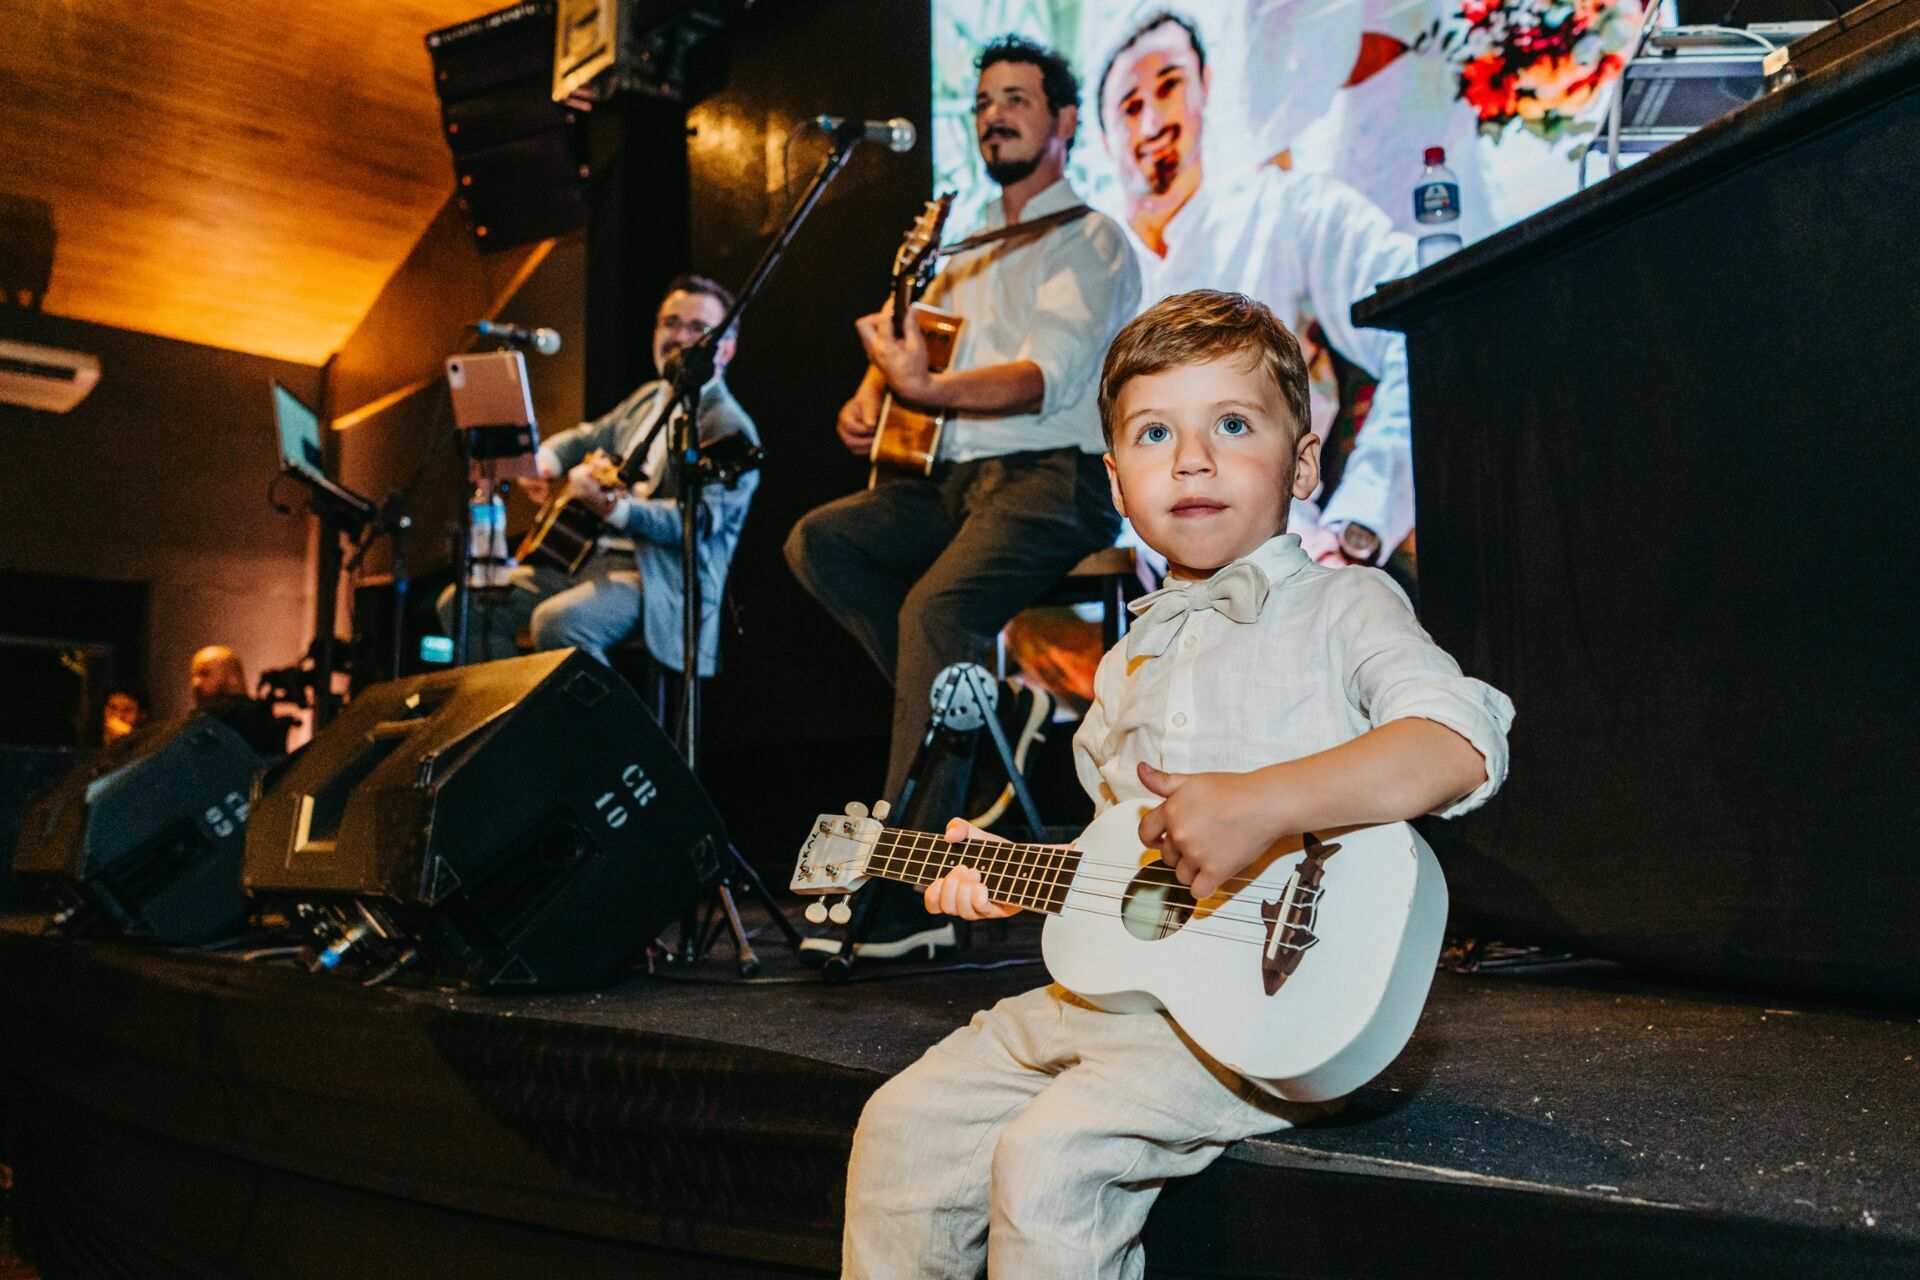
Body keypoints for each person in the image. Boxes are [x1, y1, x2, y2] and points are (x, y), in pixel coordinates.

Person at [839, 290, 1514, 1278]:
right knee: (900, 1122)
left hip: (1260, 1014)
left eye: (1232, 424)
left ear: (1304, 460)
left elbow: (1461, 741)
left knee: (1048, 1158)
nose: (1190, 458)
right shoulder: (1125, 666)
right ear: (1116, 478)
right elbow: (1130, 858)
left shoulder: (1343, 605)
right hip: (1112, 995)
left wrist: (1265, 799)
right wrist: (1012, 868)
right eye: (1156, 432)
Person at [784, 34, 1142, 956]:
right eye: (985, 102)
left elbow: (1044, 377)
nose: (997, 115)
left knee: (936, 611)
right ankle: (981, 706)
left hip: (1055, 479)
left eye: (1019, 99)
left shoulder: (1090, 236)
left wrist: (926, 388)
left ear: (1064, 122)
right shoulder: (961, 243)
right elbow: (916, 355)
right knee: (820, 541)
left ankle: (908, 895)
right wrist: (873, 399)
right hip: (952, 480)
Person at [1097, 9, 1420, 569]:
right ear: (1104, 139)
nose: (1151, 121)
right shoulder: (1094, 270)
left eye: (1169, 86)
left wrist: (1359, 522)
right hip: (1137, 573)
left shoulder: (1286, 211)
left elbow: (1425, 327)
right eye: (1129, 106)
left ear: (1207, 89)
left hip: (1286, 554)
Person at [436, 274, 759, 675]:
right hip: (585, 562)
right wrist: (545, 462)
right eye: (670, 323)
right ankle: (513, 729)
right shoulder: (648, 398)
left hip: (660, 580)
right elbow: (587, 435)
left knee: (558, 622)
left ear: (725, 349)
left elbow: (697, 522)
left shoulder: (728, 425)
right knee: (463, 603)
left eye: (697, 328)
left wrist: (617, 511)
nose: (679, 336)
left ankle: (600, 738)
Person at [188, 645, 290, 756]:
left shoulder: (246, 719)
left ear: (233, 677)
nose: (196, 683)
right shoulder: (199, 723)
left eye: (205, 673)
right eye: (193, 676)